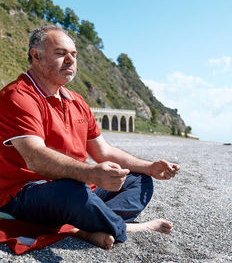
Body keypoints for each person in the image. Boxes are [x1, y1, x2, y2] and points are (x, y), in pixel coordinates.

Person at [0, 24, 180, 249]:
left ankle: (89, 224)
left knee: (139, 180)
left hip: (80, 184)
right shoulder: (18, 96)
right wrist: (90, 173)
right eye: (60, 53)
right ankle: (125, 226)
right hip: (28, 191)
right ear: (36, 56)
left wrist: (149, 167)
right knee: (71, 192)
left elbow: (103, 152)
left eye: (73, 54)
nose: (70, 60)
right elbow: (35, 158)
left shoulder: (77, 101)